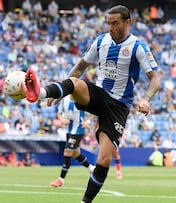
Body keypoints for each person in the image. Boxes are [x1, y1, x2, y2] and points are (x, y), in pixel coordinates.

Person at [24, 5, 160, 203]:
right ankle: (40, 92)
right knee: (76, 84)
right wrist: (61, 92)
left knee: (104, 159)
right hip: (98, 95)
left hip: (118, 106)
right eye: (108, 23)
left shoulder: (138, 46)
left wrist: (146, 98)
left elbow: (154, 78)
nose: (111, 27)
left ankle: (85, 201)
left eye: (115, 23)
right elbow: (80, 66)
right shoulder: (101, 41)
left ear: (127, 22)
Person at [50, 96, 95, 188]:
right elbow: (59, 113)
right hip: (69, 131)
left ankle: (61, 180)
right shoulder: (64, 99)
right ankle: (92, 168)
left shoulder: (82, 99)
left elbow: (95, 110)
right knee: (76, 153)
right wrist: (61, 119)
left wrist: (88, 121)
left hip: (78, 130)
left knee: (67, 152)